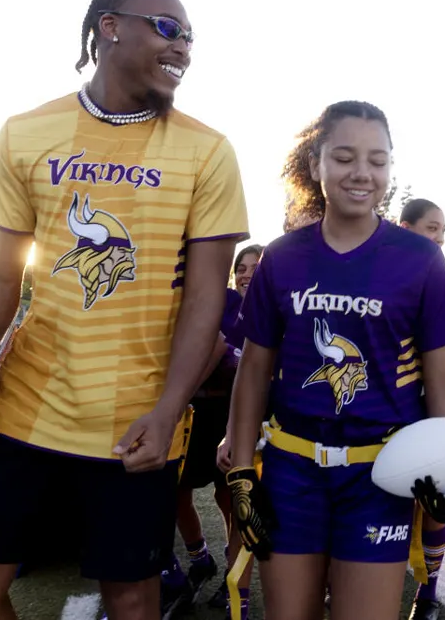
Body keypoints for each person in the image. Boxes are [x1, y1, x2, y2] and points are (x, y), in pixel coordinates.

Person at [0, 0, 250, 620]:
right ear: (110, 27)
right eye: (168, 28)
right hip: (23, 408)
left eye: (190, 37)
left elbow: (205, 299)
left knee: (131, 601)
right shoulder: (26, 132)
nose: (183, 47)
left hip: (135, 419)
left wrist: (169, 409)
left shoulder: (208, 150)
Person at [224, 101, 445, 620]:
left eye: (377, 160)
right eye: (344, 158)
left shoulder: (421, 259)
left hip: (379, 476)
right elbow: (253, 370)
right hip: (292, 471)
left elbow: (441, 375)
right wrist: (243, 472)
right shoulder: (282, 256)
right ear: (315, 163)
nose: (362, 172)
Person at [165, 244, 263, 620]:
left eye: (255, 266)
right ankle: (199, 557)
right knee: (177, 490)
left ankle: (232, 578)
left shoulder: (264, 306)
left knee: (231, 499)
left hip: (234, 412)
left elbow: (220, 348)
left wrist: (176, 396)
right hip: (197, 411)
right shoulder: (216, 298)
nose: (247, 273)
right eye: (242, 267)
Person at [396, 198, 445, 620]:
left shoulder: (440, 275)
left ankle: (428, 593)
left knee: (432, 504)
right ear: (405, 227)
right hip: (382, 410)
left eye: (443, 231)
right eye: (432, 228)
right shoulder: (374, 269)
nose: (440, 238)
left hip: (426, 406)